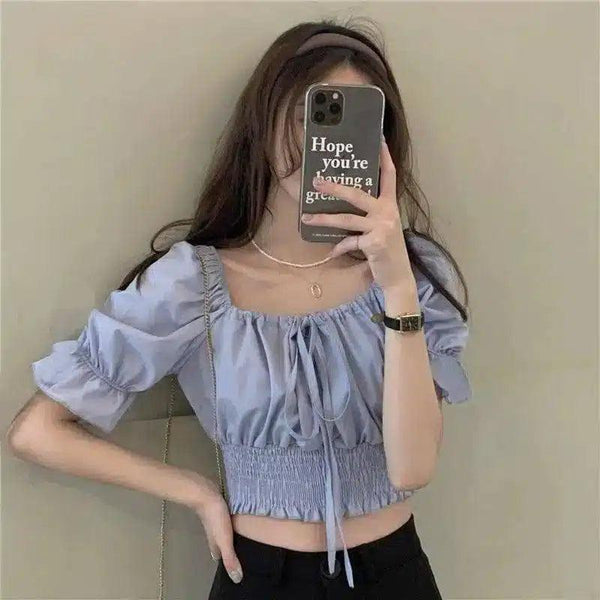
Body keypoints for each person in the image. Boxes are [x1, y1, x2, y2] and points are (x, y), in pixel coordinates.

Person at [7, 19, 472, 600]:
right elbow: (38, 431)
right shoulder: (194, 284)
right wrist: (195, 490)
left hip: (395, 574)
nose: (324, 145)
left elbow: (412, 469)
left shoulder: (415, 274)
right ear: (264, 121)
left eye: (350, 123)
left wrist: (397, 284)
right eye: (307, 116)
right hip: (259, 577)